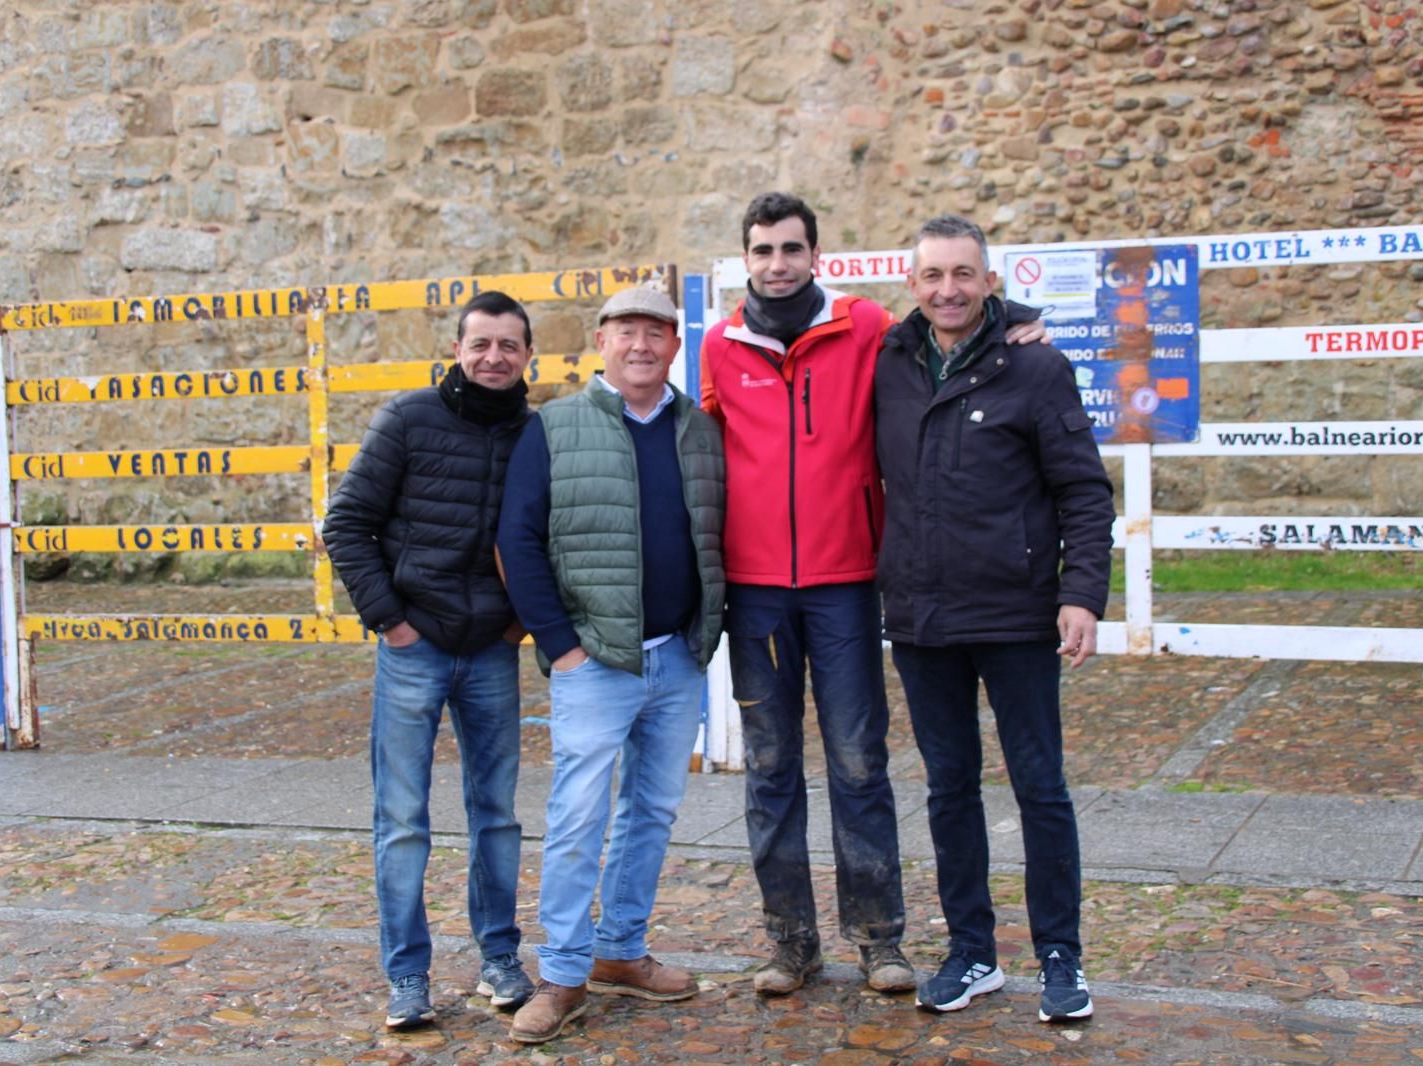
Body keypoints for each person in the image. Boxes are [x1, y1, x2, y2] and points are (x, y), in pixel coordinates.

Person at [698, 192, 1047, 996]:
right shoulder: (721, 345)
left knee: (859, 764)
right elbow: (708, 447)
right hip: (757, 594)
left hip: (848, 583)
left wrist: (1020, 318)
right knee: (771, 767)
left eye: (791, 249)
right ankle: (790, 942)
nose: (777, 264)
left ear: (816, 254)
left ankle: (878, 938)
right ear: (746, 260)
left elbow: (948, 319)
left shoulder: (863, 328)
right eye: (762, 251)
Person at [873, 213, 1114, 1019]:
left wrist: (1080, 593)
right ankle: (972, 952)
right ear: (913, 285)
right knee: (949, 790)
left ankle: (1060, 957)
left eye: (963, 275)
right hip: (922, 620)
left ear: (990, 282)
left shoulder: (1036, 368)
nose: (948, 290)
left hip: (1016, 616)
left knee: (1040, 787)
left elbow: (1082, 488)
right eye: (933, 276)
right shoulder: (889, 364)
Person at [496, 286, 725, 1044]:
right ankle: (561, 972)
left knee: (651, 813)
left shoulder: (698, 429)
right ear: (601, 340)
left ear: (673, 344)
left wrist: (703, 631)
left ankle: (620, 951)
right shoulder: (555, 427)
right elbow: (518, 541)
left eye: (656, 333)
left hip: (676, 657)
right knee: (577, 818)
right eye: (627, 332)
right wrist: (559, 644)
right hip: (592, 661)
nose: (641, 346)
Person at [322, 292, 539, 1029]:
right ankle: (407, 976)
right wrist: (391, 623)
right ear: (458, 348)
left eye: (509, 345)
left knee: (498, 817)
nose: (494, 357)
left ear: (527, 356)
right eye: (481, 343)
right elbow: (346, 524)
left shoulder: (534, 434)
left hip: (491, 652)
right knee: (403, 818)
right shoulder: (408, 418)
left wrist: (516, 627)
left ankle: (499, 958)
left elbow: (550, 537)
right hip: (414, 647)